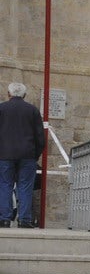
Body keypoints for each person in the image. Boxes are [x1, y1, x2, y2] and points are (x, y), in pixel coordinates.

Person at [0, 82, 45, 228]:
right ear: (24, 95)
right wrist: (35, 155)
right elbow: (40, 137)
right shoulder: (32, 110)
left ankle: (4, 218)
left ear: (8, 94)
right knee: (25, 186)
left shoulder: (1, 108)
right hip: (27, 155)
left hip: (4, 154)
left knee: (4, 185)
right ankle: (25, 219)